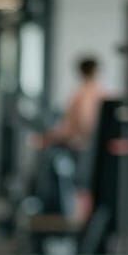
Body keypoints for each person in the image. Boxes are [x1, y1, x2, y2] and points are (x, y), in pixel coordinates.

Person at [40, 55, 109, 222]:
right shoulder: (102, 93)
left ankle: (80, 223)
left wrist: (51, 137)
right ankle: (85, 223)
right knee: (89, 187)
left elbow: (81, 124)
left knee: (81, 188)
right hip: (94, 148)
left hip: (82, 148)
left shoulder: (81, 95)